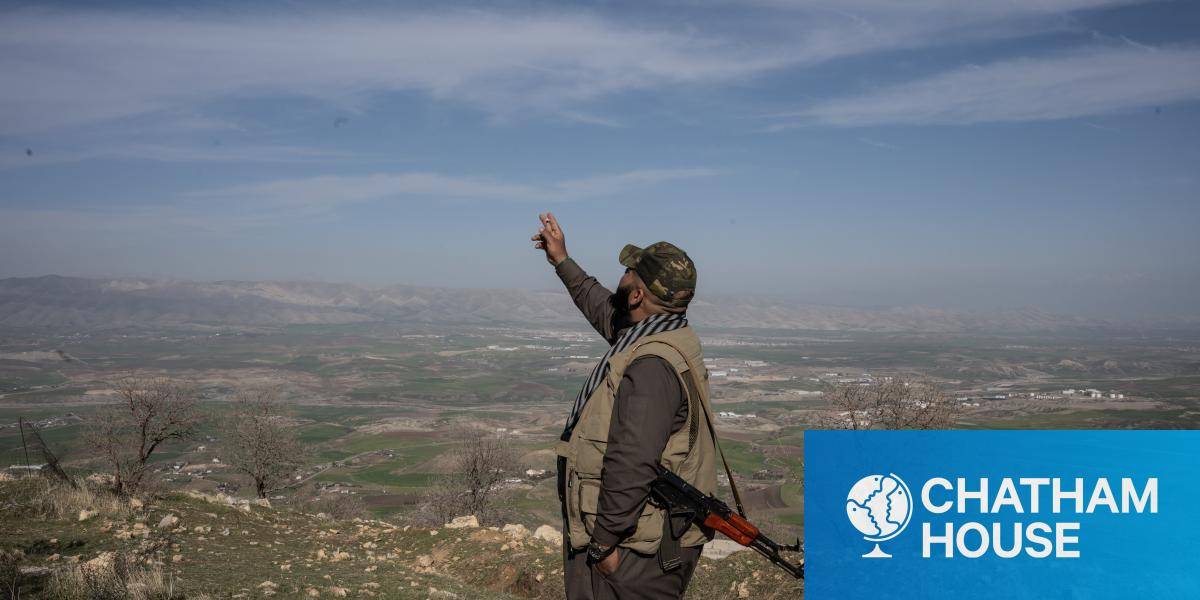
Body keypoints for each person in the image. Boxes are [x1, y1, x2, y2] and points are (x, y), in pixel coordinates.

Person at [531, 212, 719, 600]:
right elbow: (605, 308)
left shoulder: (651, 366)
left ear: (637, 296)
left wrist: (604, 545)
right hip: (638, 543)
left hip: (634, 553)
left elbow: (631, 462)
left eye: (629, 273)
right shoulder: (659, 332)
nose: (622, 276)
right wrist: (562, 260)